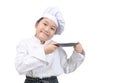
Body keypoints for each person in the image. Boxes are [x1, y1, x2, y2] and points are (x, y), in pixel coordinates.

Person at [15, 7, 85, 83]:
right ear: (37, 24)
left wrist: (78, 53)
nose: (47, 29)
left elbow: (67, 67)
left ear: (54, 33)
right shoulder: (25, 44)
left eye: (52, 28)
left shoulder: (56, 47)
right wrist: (44, 52)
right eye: (45, 24)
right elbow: (20, 67)